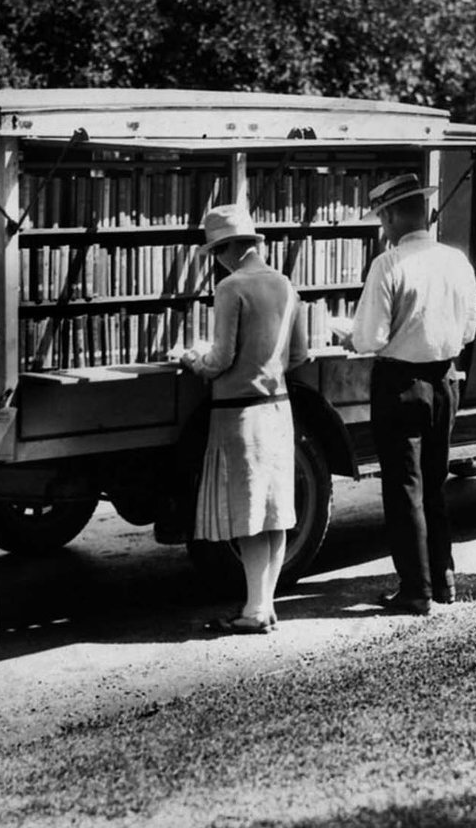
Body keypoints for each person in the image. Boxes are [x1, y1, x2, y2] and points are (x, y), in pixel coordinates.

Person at [348, 174, 476, 616]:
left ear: (389, 216)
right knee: (435, 483)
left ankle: (415, 590)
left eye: (382, 218)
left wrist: (348, 333)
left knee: (405, 488)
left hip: (401, 383)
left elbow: (369, 338)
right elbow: (468, 330)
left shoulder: (388, 265)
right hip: (444, 381)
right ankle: (444, 579)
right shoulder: (456, 261)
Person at [180, 204, 308, 634]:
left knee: (249, 511)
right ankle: (265, 605)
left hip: (239, 414)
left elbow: (220, 359)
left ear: (231, 249)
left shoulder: (231, 288)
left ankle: (254, 611)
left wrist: (193, 358)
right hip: (278, 407)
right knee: (274, 510)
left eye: (217, 251)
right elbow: (299, 355)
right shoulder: (285, 284)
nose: (216, 260)